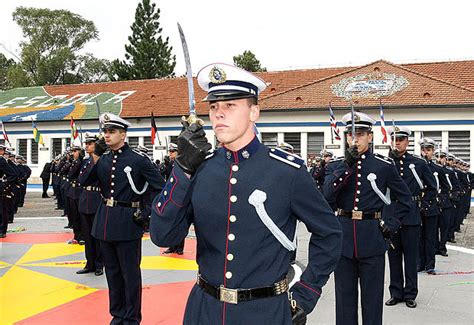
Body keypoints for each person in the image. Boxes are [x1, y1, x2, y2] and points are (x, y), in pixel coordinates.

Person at [150, 63, 342, 324]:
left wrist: (306, 293)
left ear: (254, 112)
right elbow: (163, 236)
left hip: (264, 313)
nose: (219, 114)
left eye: (230, 106)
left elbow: (329, 233)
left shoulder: (287, 171)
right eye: (214, 107)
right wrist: (181, 170)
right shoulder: (199, 168)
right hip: (204, 310)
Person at [323, 112, 411, 325]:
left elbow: (406, 200)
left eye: (360, 134)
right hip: (344, 240)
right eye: (351, 135)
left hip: (372, 238)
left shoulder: (383, 165)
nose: (355, 139)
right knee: (344, 302)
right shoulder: (335, 166)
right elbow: (326, 196)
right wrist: (346, 165)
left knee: (372, 302)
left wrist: (391, 224)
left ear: (370, 137)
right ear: (345, 138)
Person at [81, 113, 164, 324]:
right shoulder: (104, 159)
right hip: (104, 223)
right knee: (113, 274)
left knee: (130, 276)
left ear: (123, 134)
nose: (106, 136)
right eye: (105, 133)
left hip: (128, 222)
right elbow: (84, 180)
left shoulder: (138, 159)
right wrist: (95, 156)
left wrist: (146, 213)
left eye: (111, 132)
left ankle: (131, 318)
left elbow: (160, 188)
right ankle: (117, 316)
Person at [384, 126, 437, 309]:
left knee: (411, 256)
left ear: (407, 142)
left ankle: (410, 293)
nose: (397, 142)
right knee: (393, 255)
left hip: (411, 214)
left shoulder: (418, 163)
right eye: (395, 139)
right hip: (391, 213)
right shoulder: (385, 162)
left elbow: (432, 187)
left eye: (401, 139)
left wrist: (422, 205)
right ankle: (396, 292)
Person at [77, 134, 103, 276]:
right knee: (87, 236)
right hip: (85, 199)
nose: (87, 146)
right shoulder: (86, 161)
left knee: (97, 235)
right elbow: (81, 179)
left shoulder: (102, 160)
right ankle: (90, 263)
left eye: (90, 143)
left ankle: (99, 264)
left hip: (96, 198)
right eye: (86, 143)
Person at [419, 138, 445, 274]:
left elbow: (443, 188)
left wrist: (437, 201)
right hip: (418, 207)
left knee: (430, 237)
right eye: (423, 150)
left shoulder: (437, 169)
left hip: (431, 207)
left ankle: (430, 265)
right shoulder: (416, 166)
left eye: (428, 150)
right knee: (419, 238)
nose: (425, 153)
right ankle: (420, 263)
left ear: (433, 152)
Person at [162, 142, 185, 255]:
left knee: (180, 221)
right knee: (170, 222)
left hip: (180, 195)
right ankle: (172, 246)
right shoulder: (170, 164)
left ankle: (180, 246)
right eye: (170, 152)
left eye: (173, 152)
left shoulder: (182, 163)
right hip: (170, 195)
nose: (170, 154)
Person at [0, 145, 18, 238]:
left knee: (2, 210)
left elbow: (13, 174)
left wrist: (4, 184)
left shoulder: (2, 161)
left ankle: (2, 230)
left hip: (0, 188)